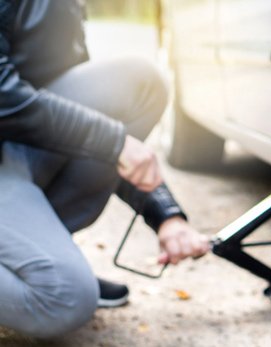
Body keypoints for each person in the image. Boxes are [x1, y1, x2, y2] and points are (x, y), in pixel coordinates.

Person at [0, 0, 211, 338]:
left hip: (15, 149)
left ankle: (34, 254)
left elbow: (88, 127)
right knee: (65, 298)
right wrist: (112, 142)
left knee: (139, 82)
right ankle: (34, 266)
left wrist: (165, 215)